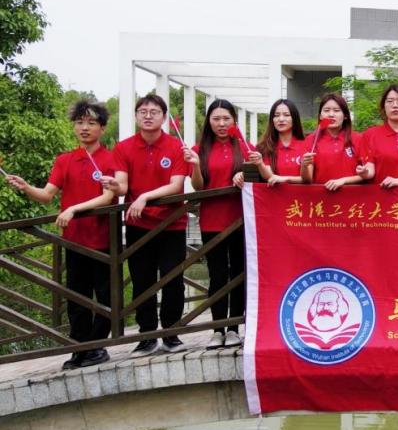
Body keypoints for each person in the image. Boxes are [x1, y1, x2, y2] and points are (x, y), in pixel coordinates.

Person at [5, 100, 116, 369]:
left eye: (91, 123)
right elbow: (47, 195)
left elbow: (108, 196)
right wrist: (26, 187)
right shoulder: (65, 160)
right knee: (76, 297)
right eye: (80, 122)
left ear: (102, 128)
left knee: (106, 296)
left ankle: (97, 346)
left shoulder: (111, 159)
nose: (84, 128)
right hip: (74, 240)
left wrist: (73, 209)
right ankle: (79, 348)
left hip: (103, 239)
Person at [102, 94, 189, 357]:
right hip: (138, 224)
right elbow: (123, 186)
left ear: (164, 116)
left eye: (154, 111)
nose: (148, 116)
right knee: (142, 280)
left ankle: (171, 333)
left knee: (172, 279)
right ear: (136, 116)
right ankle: (147, 336)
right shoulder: (124, 148)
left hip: (172, 223)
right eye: (143, 111)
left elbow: (176, 185)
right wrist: (115, 186)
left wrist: (145, 196)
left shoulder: (176, 147)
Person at [182, 99, 253, 349]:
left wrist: (245, 172)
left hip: (241, 220)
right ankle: (217, 329)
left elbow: (258, 178)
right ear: (209, 121)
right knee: (217, 275)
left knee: (239, 274)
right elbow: (198, 186)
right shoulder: (199, 149)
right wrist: (195, 166)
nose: (221, 124)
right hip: (212, 221)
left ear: (234, 120)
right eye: (216, 119)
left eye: (226, 119)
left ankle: (234, 328)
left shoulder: (245, 147)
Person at [357, 84, 398, 189]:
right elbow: (370, 170)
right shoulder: (370, 134)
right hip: (379, 196)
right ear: (383, 106)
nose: (395, 105)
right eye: (390, 101)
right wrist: (364, 173)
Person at [300, 93, 363, 191]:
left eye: (336, 110)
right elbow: (307, 179)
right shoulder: (311, 140)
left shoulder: (358, 138)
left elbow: (368, 174)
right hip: (321, 197)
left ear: (345, 115)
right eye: (326, 110)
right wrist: (304, 165)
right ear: (320, 116)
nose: (331, 114)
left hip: (352, 196)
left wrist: (343, 181)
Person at [255, 98, 306, 186]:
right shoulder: (264, 146)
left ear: (294, 118)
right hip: (274, 194)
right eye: (276, 115)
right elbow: (270, 177)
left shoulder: (306, 144)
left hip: (301, 195)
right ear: (272, 120)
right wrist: (260, 164)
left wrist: (285, 179)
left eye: (286, 115)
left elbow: (308, 178)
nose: (281, 119)